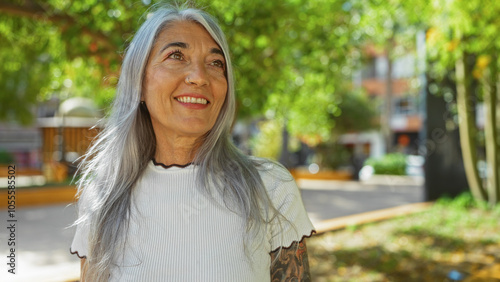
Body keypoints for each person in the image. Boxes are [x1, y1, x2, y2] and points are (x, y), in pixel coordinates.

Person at [70, 4, 315, 281]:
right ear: (138, 81)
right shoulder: (102, 198)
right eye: (176, 55)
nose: (199, 77)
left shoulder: (270, 187)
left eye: (215, 63)